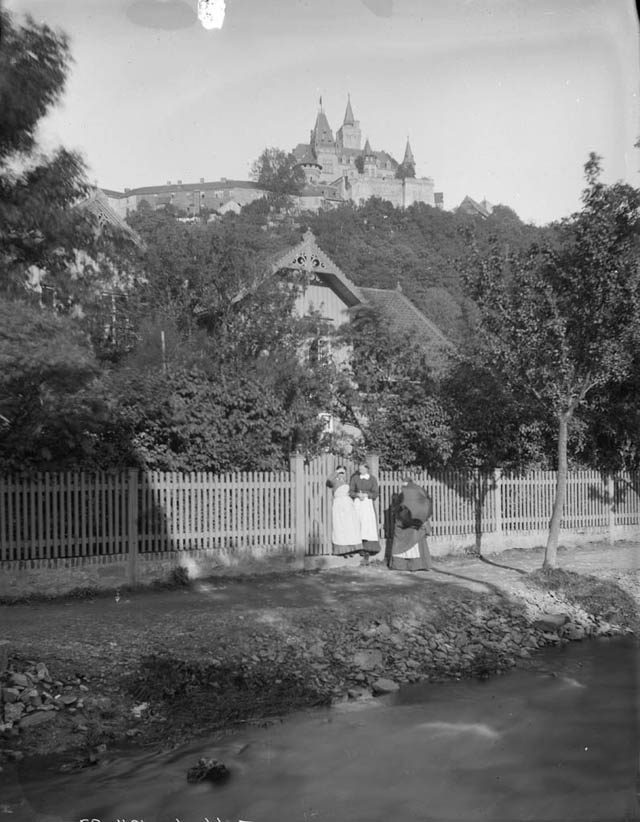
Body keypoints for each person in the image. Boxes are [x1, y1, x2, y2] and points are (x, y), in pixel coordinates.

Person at [389, 476, 433, 572]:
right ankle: (401, 565)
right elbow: (397, 510)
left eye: (406, 485)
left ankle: (417, 565)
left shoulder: (417, 497)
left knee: (415, 538)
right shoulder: (402, 496)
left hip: (411, 523)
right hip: (404, 523)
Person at [326, 466, 362, 557]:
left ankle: (351, 549)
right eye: (340, 472)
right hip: (339, 505)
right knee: (340, 527)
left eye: (343, 472)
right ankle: (342, 550)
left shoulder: (347, 481)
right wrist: (336, 471)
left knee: (350, 526)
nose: (342, 474)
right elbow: (329, 481)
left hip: (348, 504)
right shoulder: (334, 480)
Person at [349, 462, 381, 562]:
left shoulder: (372, 479)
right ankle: (357, 546)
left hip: (367, 503)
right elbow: (350, 491)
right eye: (359, 469)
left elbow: (376, 492)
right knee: (357, 522)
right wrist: (357, 495)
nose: (360, 470)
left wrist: (367, 495)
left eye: (362, 469)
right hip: (358, 502)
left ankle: (368, 548)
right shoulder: (355, 478)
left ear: (367, 469)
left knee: (367, 523)